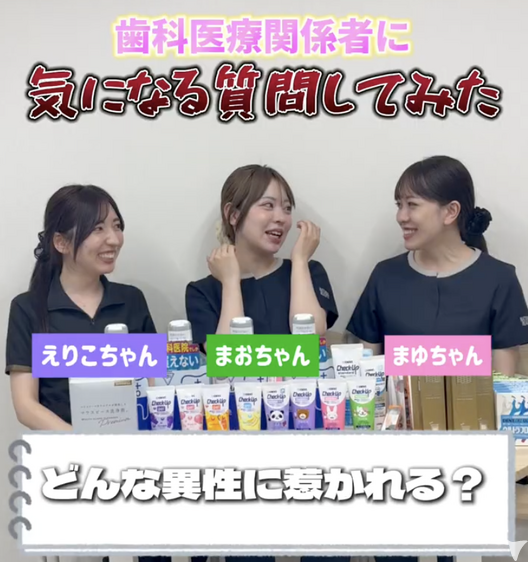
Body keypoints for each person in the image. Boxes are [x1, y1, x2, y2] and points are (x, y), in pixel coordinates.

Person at [346, 155, 528, 562]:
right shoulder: (385, 276)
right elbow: (365, 374)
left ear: (450, 212)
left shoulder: (499, 278)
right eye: (398, 204)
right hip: (394, 458)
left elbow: (504, 386)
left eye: (412, 205)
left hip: (465, 455)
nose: (401, 216)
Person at [185, 164, 344, 562]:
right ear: (233, 214)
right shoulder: (203, 292)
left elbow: (311, 342)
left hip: (310, 437)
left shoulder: (308, 272)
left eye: (287, 208)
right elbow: (226, 365)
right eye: (268, 205)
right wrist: (231, 281)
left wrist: (301, 261)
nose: (281, 219)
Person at [4, 184, 169, 562]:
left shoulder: (131, 300)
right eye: (97, 228)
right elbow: (26, 406)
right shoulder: (30, 309)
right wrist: (87, 444)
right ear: (61, 242)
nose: (113, 239)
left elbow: (153, 385)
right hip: (68, 469)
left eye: (117, 225)